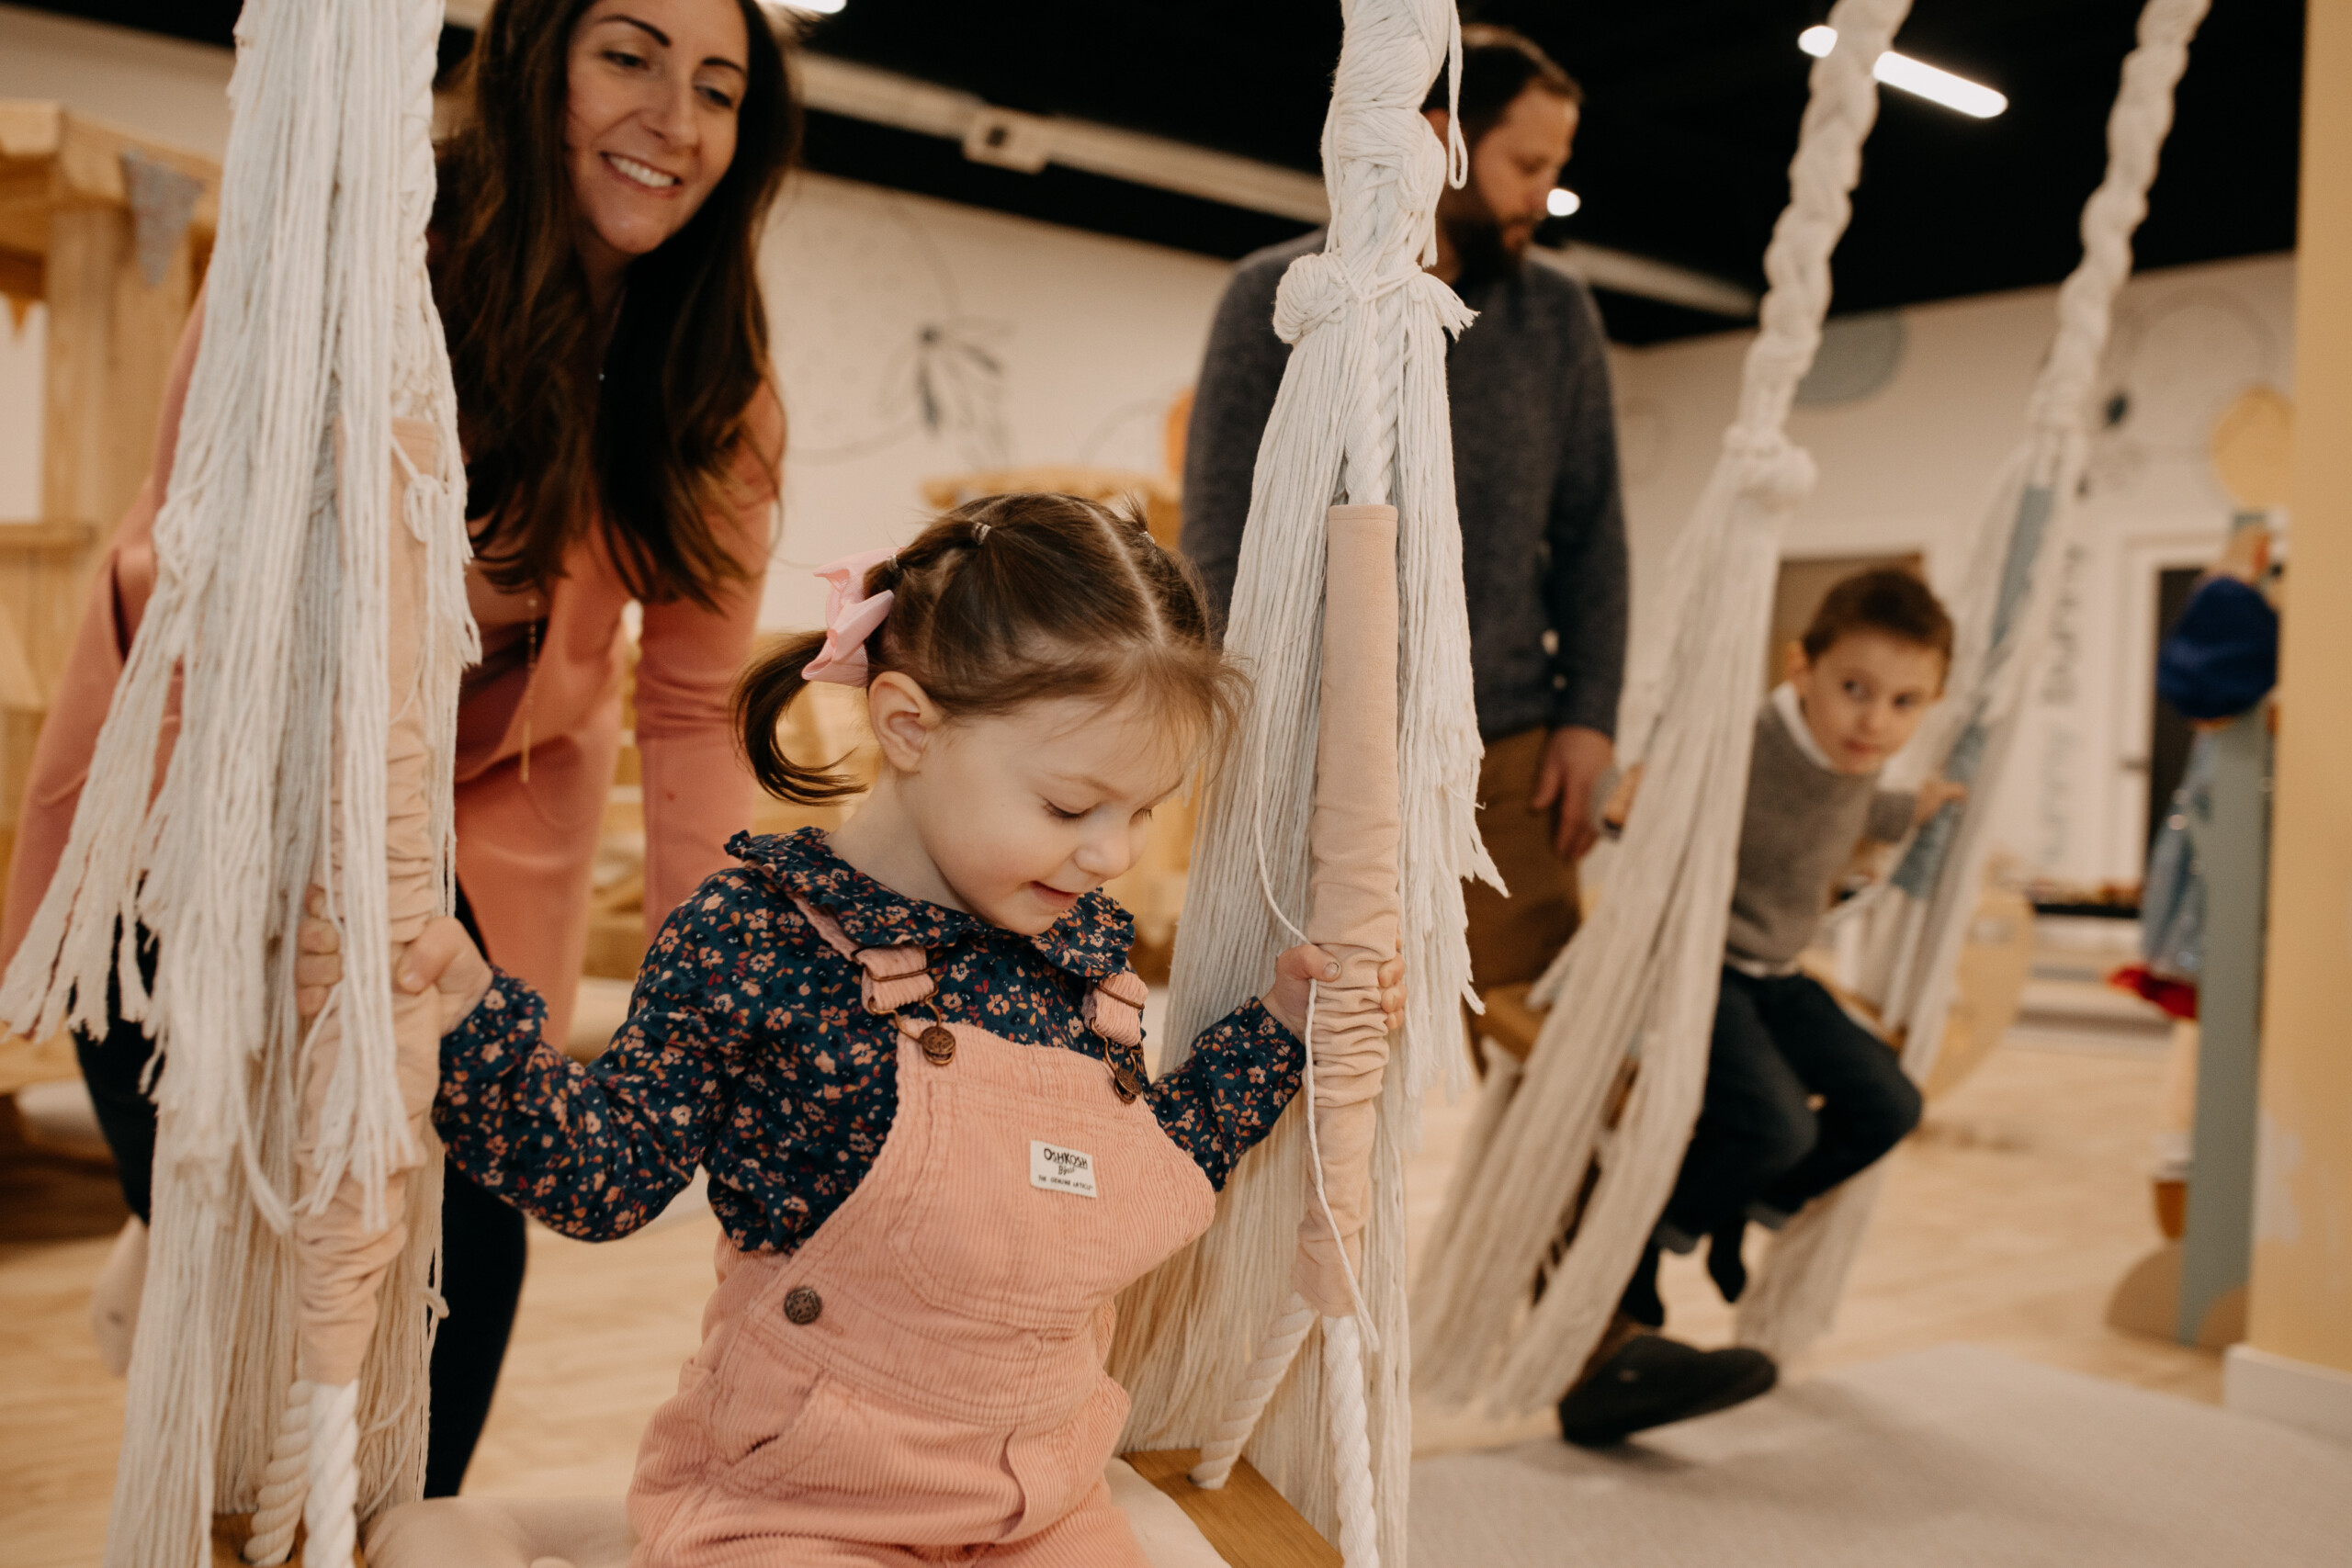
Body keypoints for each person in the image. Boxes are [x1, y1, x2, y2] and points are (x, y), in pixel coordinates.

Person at [296, 493, 1408, 1565]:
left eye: (1145, 813)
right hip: (796, 1513)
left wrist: (1281, 1027)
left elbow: (1145, 1162)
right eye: (1073, 807)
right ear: (909, 725)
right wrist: (468, 1022)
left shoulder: (1080, 954)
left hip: (1040, 1504)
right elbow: (607, 1176)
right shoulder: (758, 937)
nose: (1112, 855)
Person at [5, 0, 796, 1494]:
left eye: (718, 89)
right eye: (628, 55)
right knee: (226, 1198)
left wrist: (712, 996)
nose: (675, 122)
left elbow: (689, 711)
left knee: (462, 1230)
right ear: (535, 61)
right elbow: (204, 548)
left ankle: (402, 1516)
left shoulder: (715, 388)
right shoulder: (355, 248)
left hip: (479, 816)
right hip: (226, 771)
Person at [1182, 24, 1627, 1001]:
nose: (1538, 196)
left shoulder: (1557, 315)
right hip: (1312, 735)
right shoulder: (1282, 295)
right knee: (1299, 1022)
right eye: (1524, 164)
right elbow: (1216, 527)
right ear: (1438, 137)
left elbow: (1593, 533)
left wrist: (1590, 715)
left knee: (1538, 1026)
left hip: (1505, 747)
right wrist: (1245, 711)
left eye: (1555, 169)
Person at [1557, 566, 1960, 1445]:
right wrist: (1620, 802)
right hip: (1702, 965)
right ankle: (1658, 1242)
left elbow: (1851, 806)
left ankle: (1751, 1209)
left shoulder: (1855, 760)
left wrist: (1917, 807)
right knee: (1776, 1122)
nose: (1874, 721)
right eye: (1855, 689)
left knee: (1890, 1103)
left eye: (1904, 703)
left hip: (1777, 969)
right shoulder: (1746, 743)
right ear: (1800, 666)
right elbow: (1649, 802)